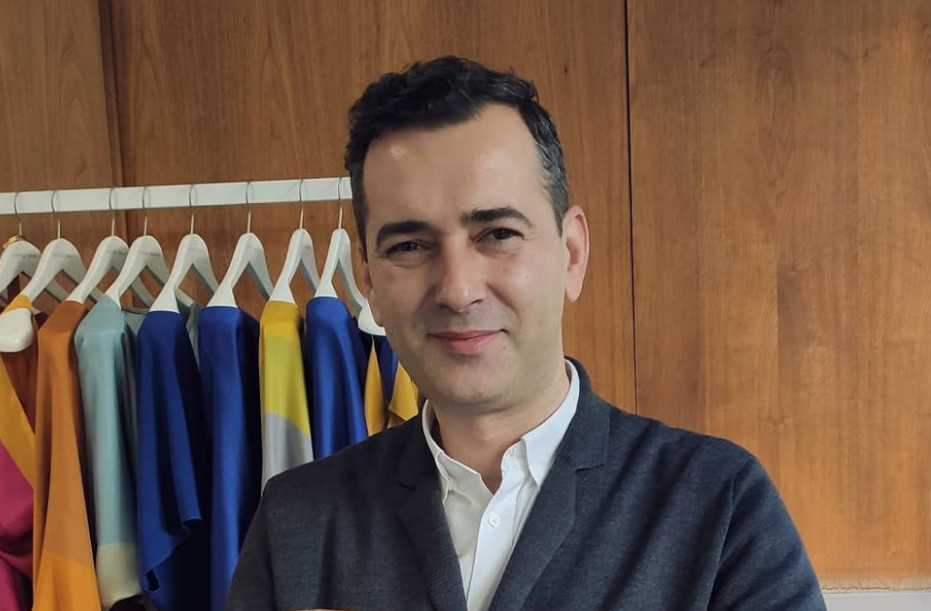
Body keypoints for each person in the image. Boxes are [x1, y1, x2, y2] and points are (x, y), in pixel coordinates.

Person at [226, 56, 826, 611]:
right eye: (409, 246)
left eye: (498, 234)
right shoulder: (296, 522)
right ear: (370, 283)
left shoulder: (718, 506)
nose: (458, 289)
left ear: (572, 253)